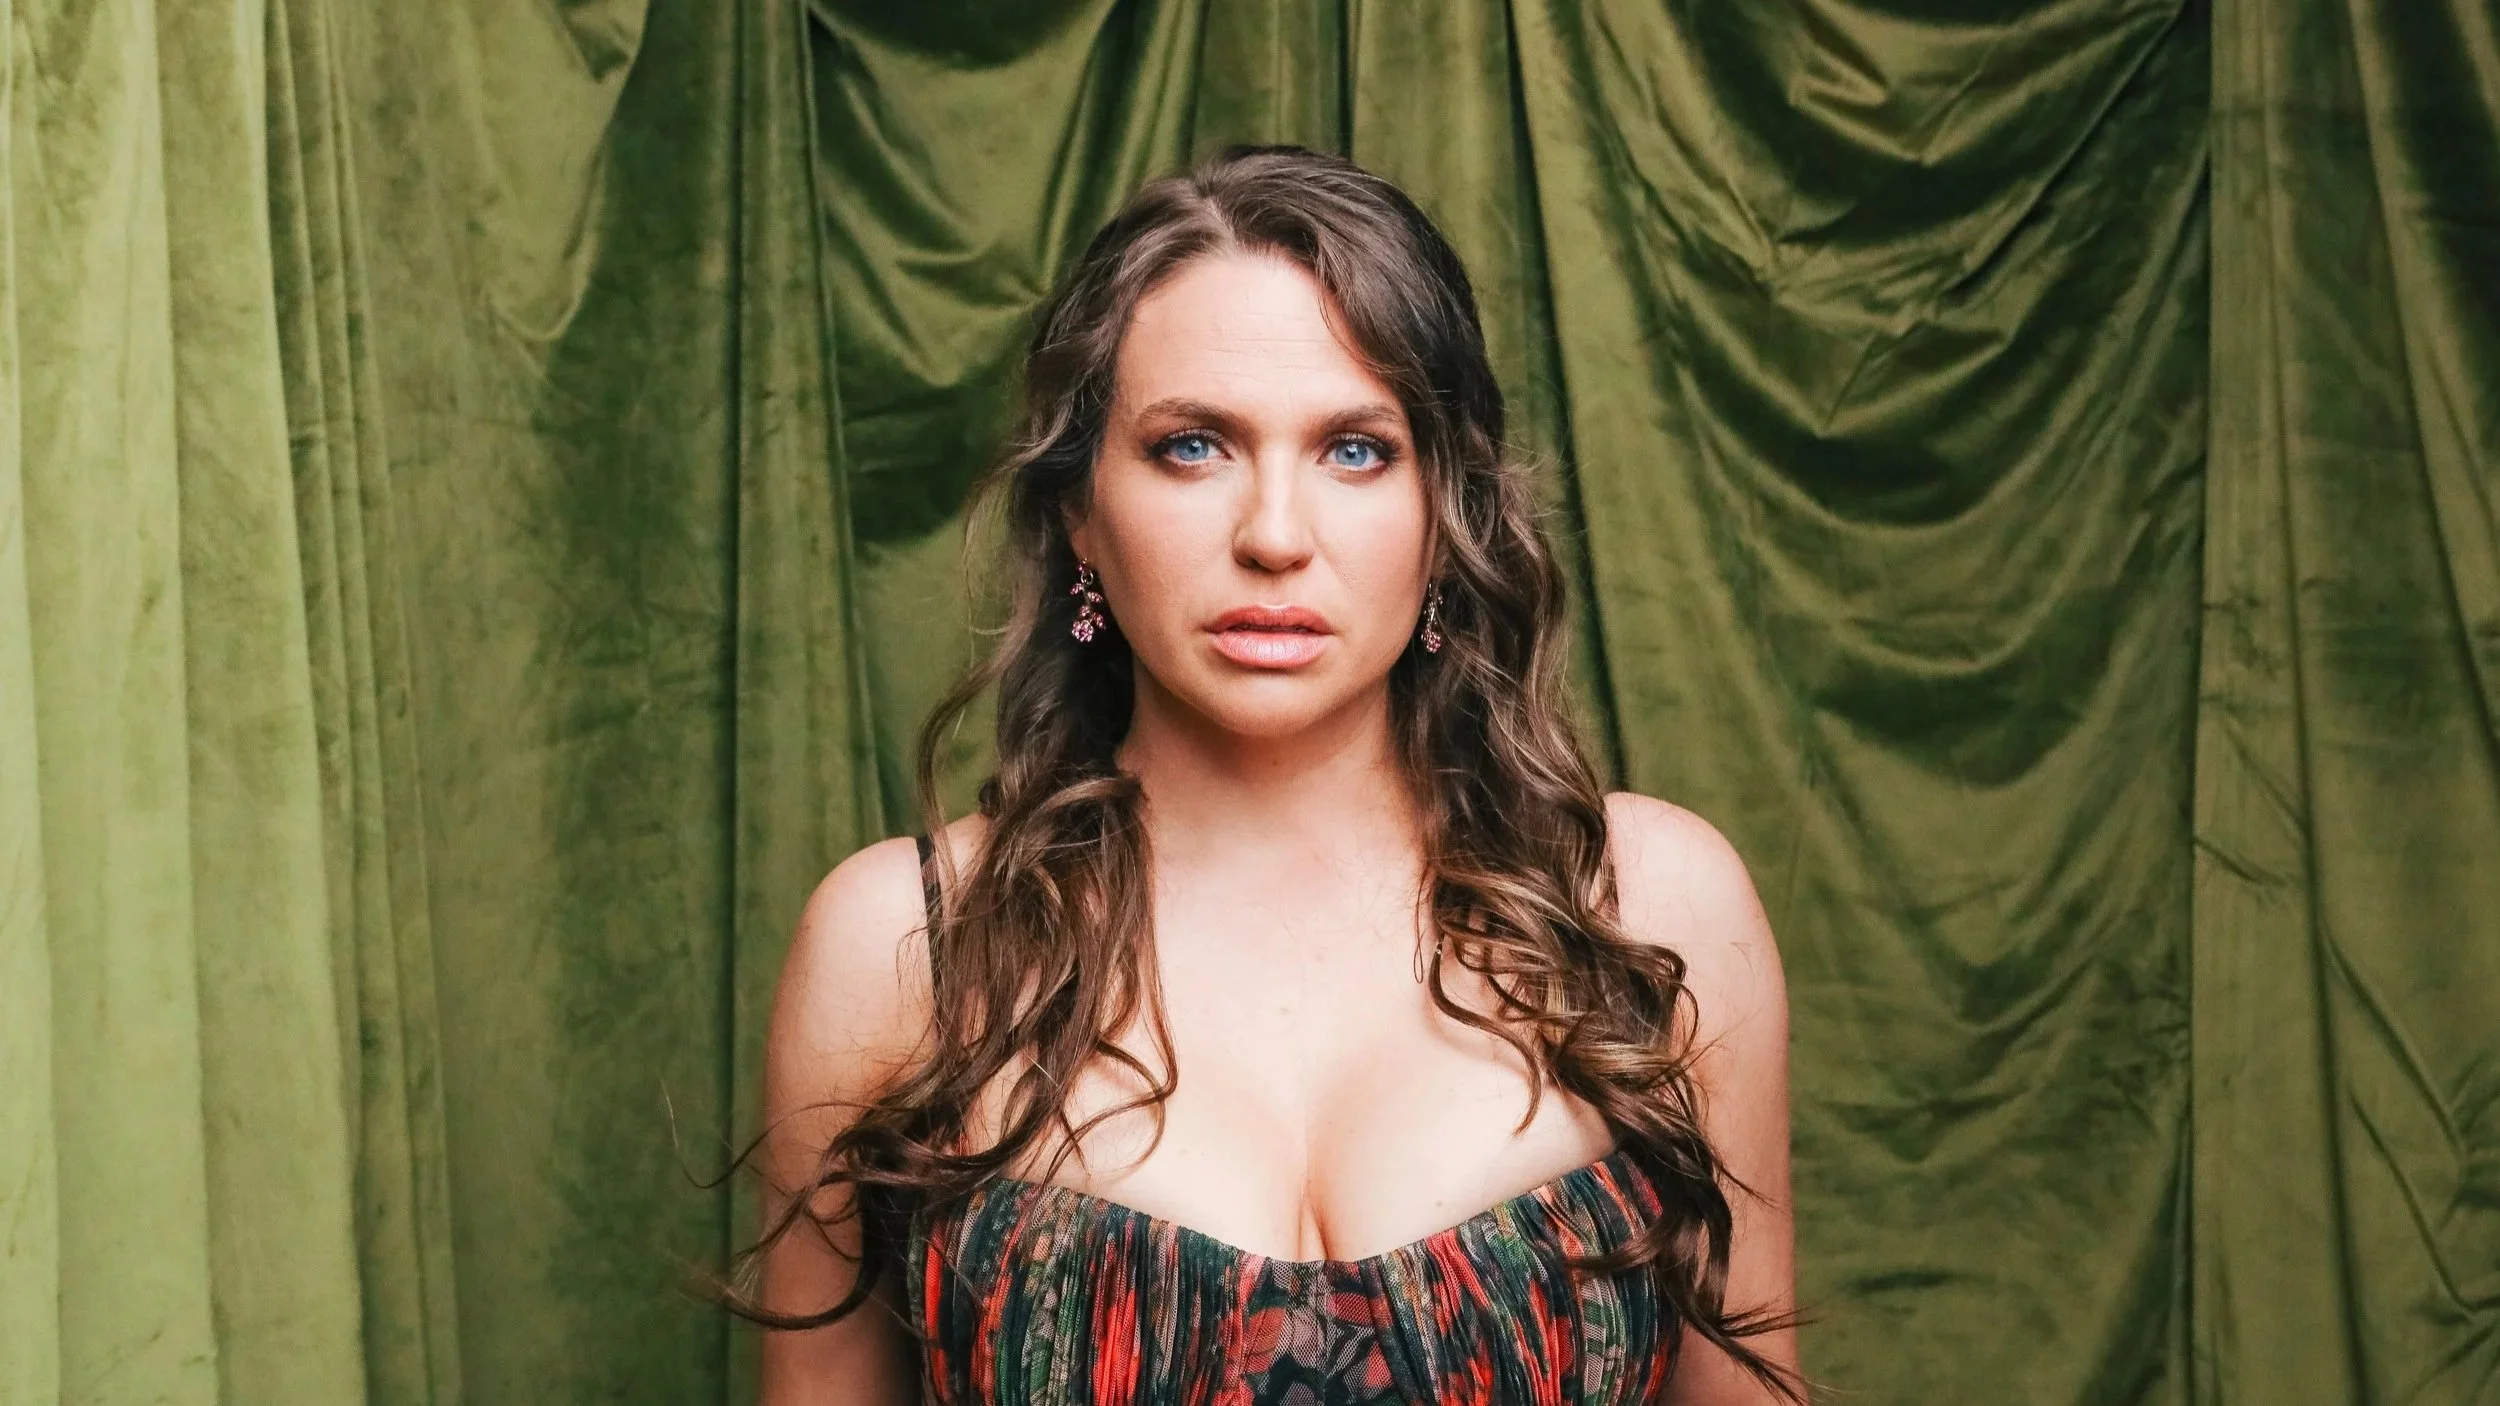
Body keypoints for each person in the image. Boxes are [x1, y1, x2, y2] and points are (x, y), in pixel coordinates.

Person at [730, 144, 1803, 1404]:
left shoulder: (1647, 909)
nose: (1275, 536)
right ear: (1079, 507)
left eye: (1356, 449)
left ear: (1444, 510)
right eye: (1193, 446)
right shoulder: (904, 945)